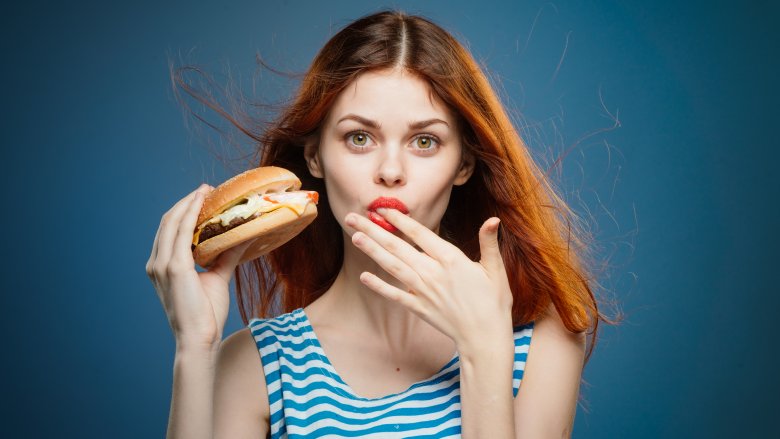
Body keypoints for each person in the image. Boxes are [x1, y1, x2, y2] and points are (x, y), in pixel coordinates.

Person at [147, 9, 615, 439]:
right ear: (315, 155)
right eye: (359, 137)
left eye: (425, 141)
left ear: (464, 165)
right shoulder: (257, 365)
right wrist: (195, 346)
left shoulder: (541, 342)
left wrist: (486, 351)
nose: (390, 170)